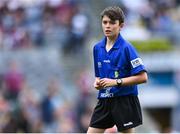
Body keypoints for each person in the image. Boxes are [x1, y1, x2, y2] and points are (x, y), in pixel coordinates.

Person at [87, 6, 148, 133]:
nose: (107, 26)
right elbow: (98, 76)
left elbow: (143, 77)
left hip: (124, 100)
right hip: (104, 99)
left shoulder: (127, 48)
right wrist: (97, 83)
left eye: (112, 22)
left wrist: (116, 82)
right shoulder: (97, 48)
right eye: (105, 22)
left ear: (121, 26)